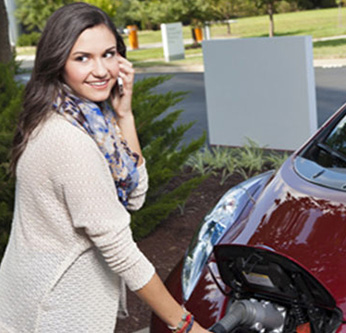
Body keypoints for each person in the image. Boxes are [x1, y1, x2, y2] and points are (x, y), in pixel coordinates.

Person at [0, 3, 208, 333]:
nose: (101, 70)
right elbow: (122, 252)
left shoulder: (89, 120)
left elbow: (135, 194)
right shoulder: (69, 140)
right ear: (58, 63)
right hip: (55, 311)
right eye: (82, 58)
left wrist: (125, 115)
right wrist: (187, 327)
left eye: (108, 54)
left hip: (39, 297)